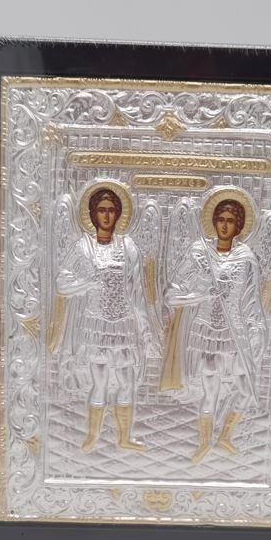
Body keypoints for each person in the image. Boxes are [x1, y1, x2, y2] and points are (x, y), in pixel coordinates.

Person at [161, 197, 267, 463]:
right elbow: (171, 295)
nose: (225, 225)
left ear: (239, 226)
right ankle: (204, 442)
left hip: (236, 334)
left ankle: (226, 435)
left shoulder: (246, 259)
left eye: (230, 221)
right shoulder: (199, 253)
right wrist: (200, 295)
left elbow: (252, 300)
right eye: (220, 220)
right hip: (207, 333)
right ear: (213, 222)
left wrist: (256, 330)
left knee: (246, 390)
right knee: (211, 393)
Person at [56, 185, 155, 453]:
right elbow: (61, 284)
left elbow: (137, 292)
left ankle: (124, 437)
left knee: (126, 382)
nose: (107, 215)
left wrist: (144, 330)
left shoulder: (128, 246)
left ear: (119, 214)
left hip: (124, 324)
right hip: (96, 324)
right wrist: (86, 282)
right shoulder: (83, 247)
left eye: (112, 210)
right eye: (101, 210)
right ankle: (92, 436)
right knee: (98, 383)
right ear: (92, 214)